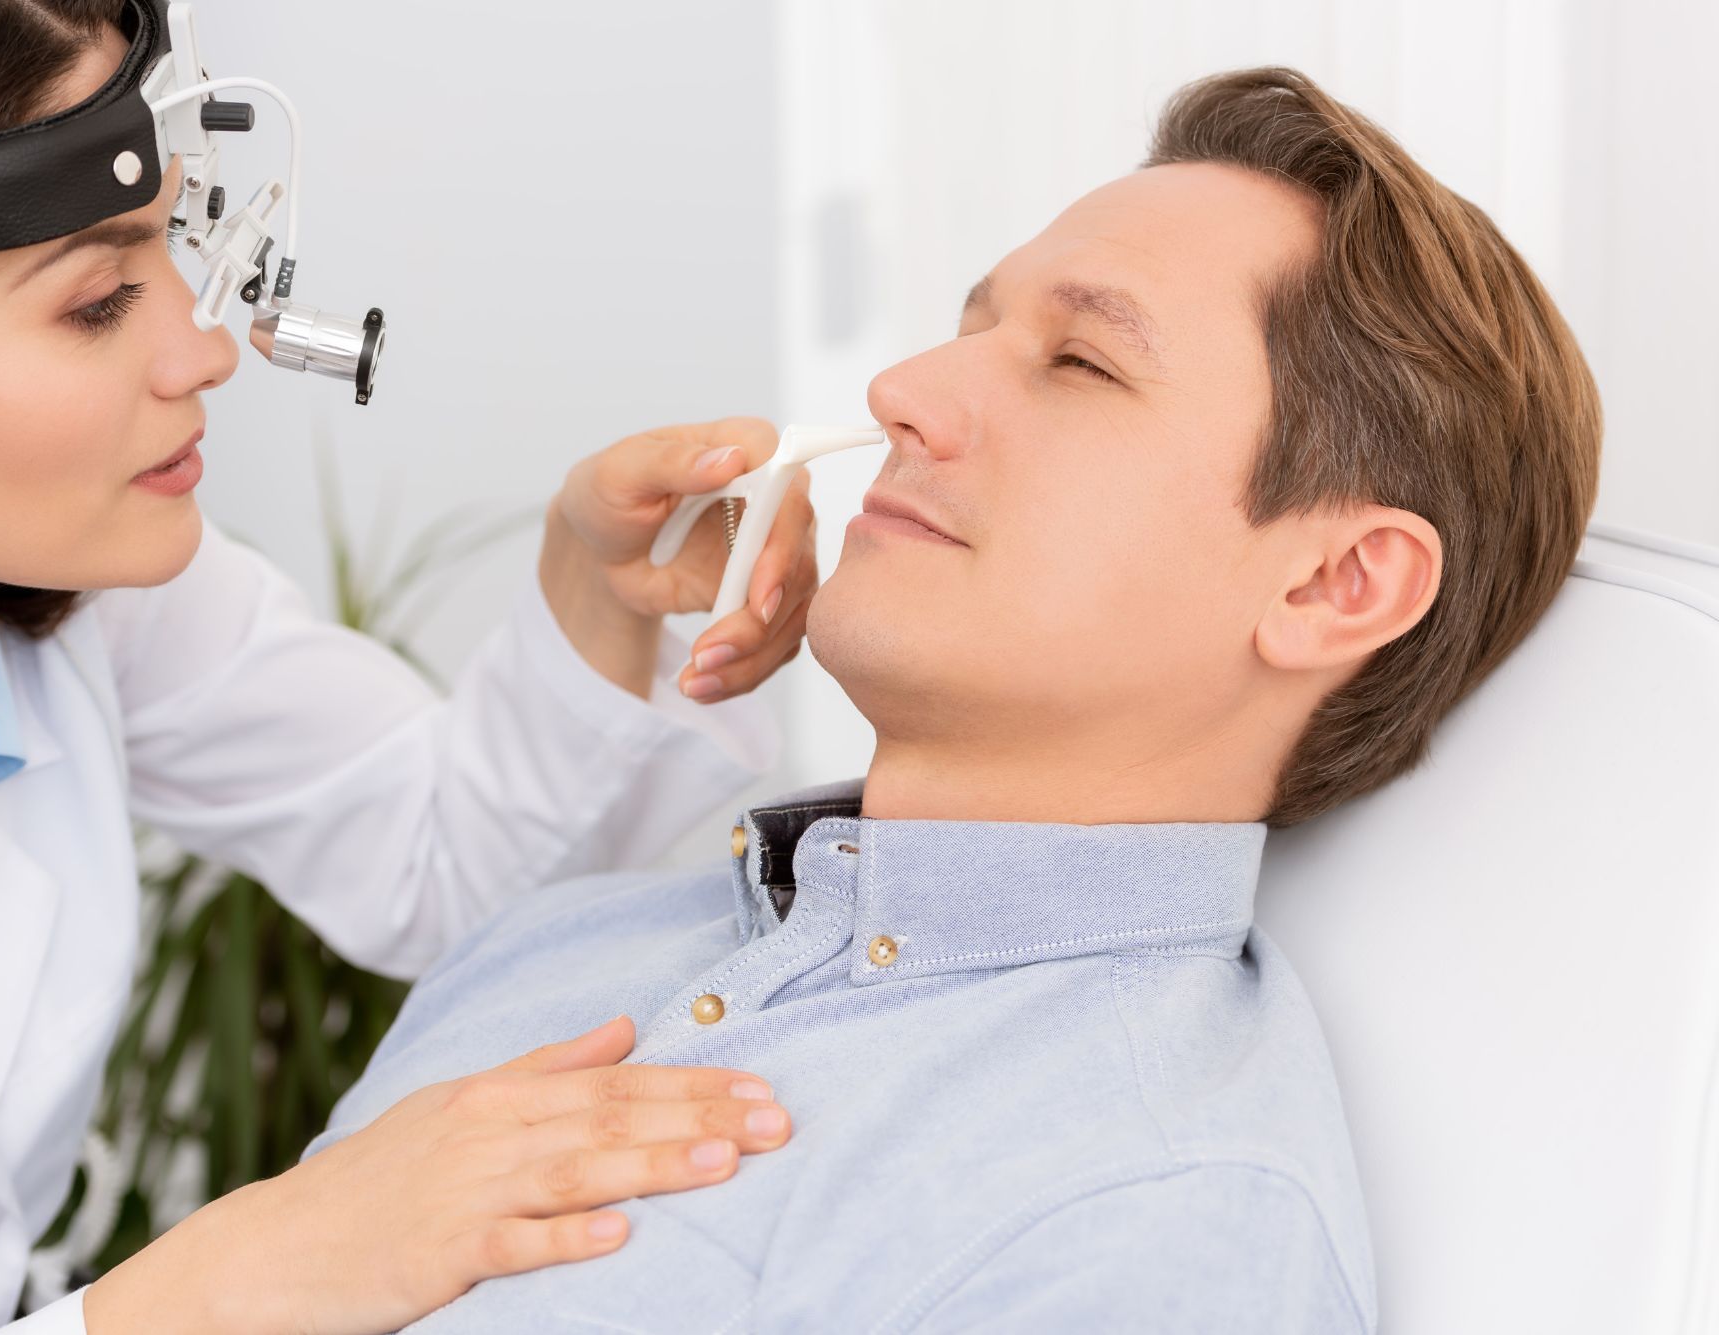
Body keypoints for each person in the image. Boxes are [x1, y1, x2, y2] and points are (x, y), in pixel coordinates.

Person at [312, 66, 1603, 1333]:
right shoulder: (558, 947)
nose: (904, 391)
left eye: (1082, 362)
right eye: (973, 324)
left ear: (1336, 582)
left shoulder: (1142, 1217)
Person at [0, 4, 813, 1332]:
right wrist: (242, 1274)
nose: (203, 351)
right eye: (98, 301)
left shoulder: (77, 607)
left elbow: (436, 867)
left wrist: (596, 600)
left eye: (173, 255)